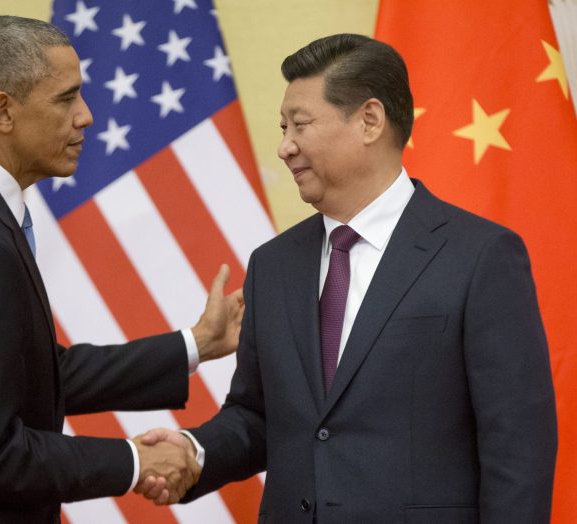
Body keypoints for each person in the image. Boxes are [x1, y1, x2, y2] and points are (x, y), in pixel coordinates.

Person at [137, 34, 558, 522]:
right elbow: (257, 416)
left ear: (370, 120)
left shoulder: (480, 255)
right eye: (282, 127)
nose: (284, 146)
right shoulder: (272, 265)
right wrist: (194, 452)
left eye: (300, 124)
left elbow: (518, 446)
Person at [0, 15, 244, 523]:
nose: (86, 117)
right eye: (66, 98)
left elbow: (34, 376)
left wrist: (197, 344)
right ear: (3, 111)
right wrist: (134, 459)